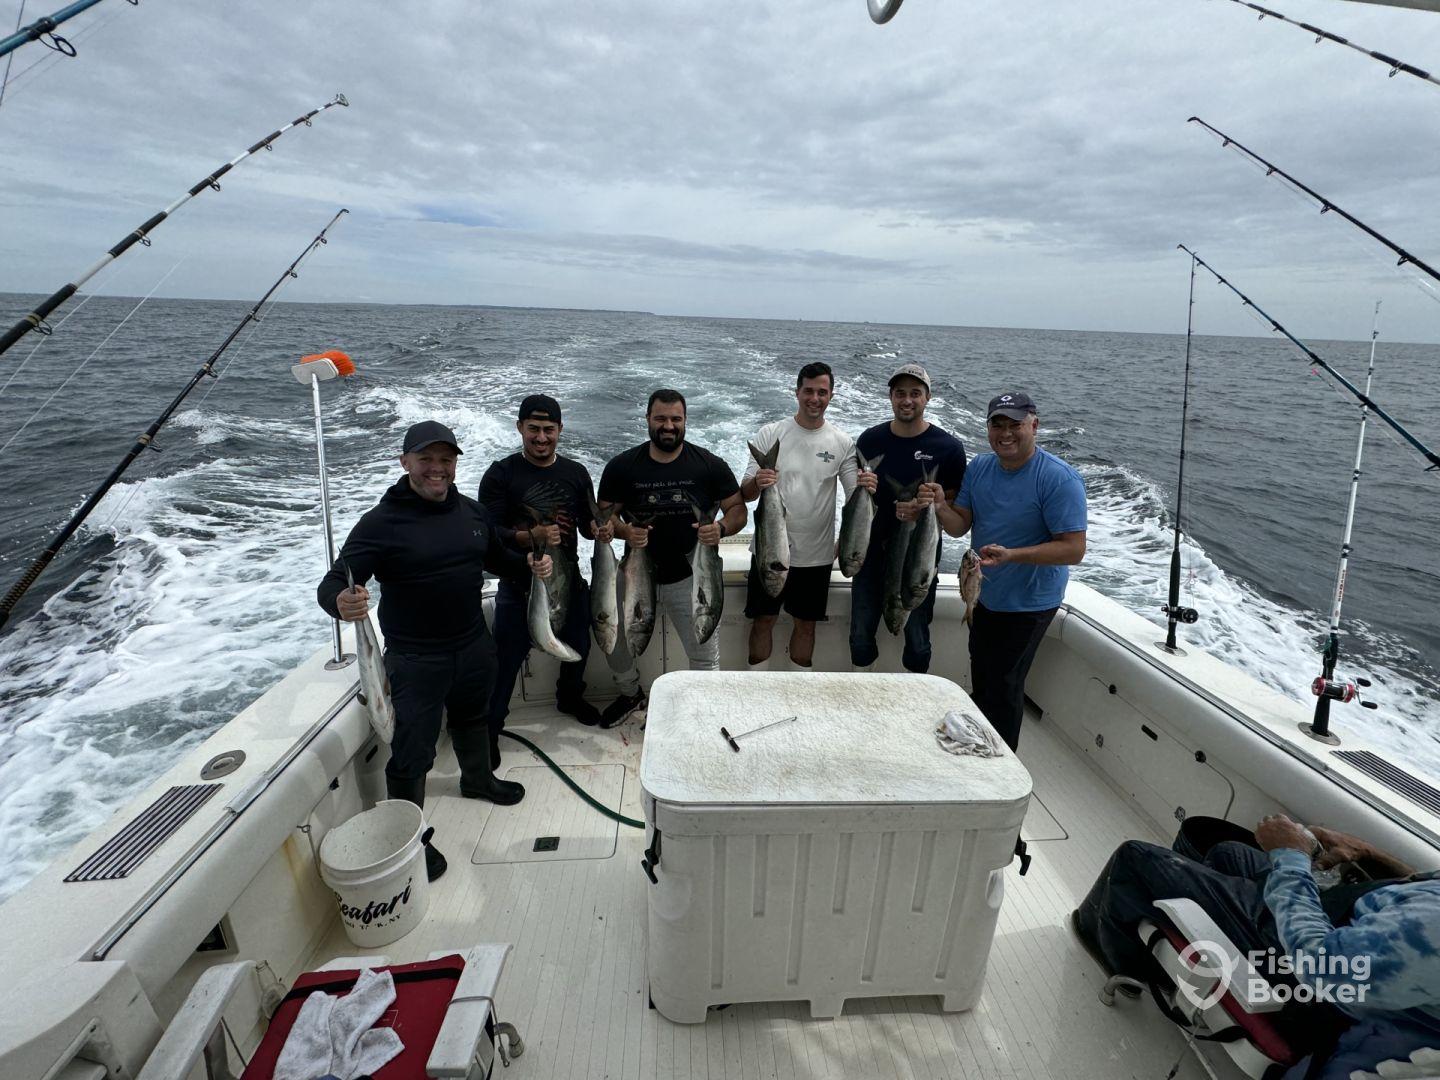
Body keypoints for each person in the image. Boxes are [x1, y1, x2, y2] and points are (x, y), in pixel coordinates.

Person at [317, 420, 552, 882]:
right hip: (416, 658)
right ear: (405, 463)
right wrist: (341, 602)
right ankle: (409, 838)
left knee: (474, 718)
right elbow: (334, 582)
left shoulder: (470, 513)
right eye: (426, 459)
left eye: (446, 460)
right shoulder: (380, 523)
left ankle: (478, 779)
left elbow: (497, 560)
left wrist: (528, 562)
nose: (437, 469)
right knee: (412, 751)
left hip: (471, 644)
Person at [1074, 815, 1440, 1079]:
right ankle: (1191, 938)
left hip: (1303, 979)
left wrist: (1291, 858)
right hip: (1344, 927)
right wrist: (1369, 853)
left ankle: (1120, 960)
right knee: (1229, 853)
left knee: (1137, 858)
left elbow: (1322, 967)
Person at [932, 391, 1086, 750]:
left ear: (1034, 425)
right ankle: (981, 741)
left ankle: (1001, 763)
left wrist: (1013, 555)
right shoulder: (981, 468)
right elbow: (959, 526)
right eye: (997, 424)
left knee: (1005, 684)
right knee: (984, 675)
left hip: (1030, 604)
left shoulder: (1059, 479)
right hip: (985, 595)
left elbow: (1074, 549)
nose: (1005, 433)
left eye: (1015, 424)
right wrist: (941, 506)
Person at [597, 388, 747, 724]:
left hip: (691, 577)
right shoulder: (622, 467)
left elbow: (738, 509)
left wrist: (720, 529)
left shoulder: (710, 465)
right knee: (614, 641)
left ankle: (703, 708)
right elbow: (605, 517)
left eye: (675, 419)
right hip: (635, 575)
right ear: (648, 419)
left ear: (685, 421)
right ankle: (629, 694)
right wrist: (625, 532)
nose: (668, 425)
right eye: (661, 418)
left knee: (704, 649)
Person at [479, 395, 614, 759]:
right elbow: (489, 532)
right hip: (520, 585)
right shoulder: (501, 474)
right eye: (534, 429)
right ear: (520, 427)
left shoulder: (575, 472)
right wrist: (529, 538)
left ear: (560, 431)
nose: (541, 437)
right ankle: (490, 730)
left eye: (549, 429)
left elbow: (587, 528)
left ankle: (569, 698)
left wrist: (599, 530)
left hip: (569, 582)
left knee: (580, 645)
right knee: (506, 660)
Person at [741, 362, 871, 669]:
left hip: (817, 555)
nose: (815, 398)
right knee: (763, 620)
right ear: (797, 392)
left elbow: (856, 496)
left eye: (822, 392)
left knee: (806, 625)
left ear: (831, 396)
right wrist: (758, 481)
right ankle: (756, 687)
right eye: (809, 391)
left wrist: (869, 485)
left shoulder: (841, 442)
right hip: (769, 549)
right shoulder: (770, 434)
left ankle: (796, 690)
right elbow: (745, 493)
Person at [849, 362, 966, 674]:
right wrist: (864, 487)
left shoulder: (948, 448)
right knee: (860, 633)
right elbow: (858, 497)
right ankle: (862, 687)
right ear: (890, 397)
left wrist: (928, 505)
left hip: (919, 557)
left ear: (928, 398)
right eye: (900, 393)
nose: (907, 400)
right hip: (870, 554)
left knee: (917, 638)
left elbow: (953, 505)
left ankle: (915, 690)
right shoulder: (869, 440)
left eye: (915, 393)